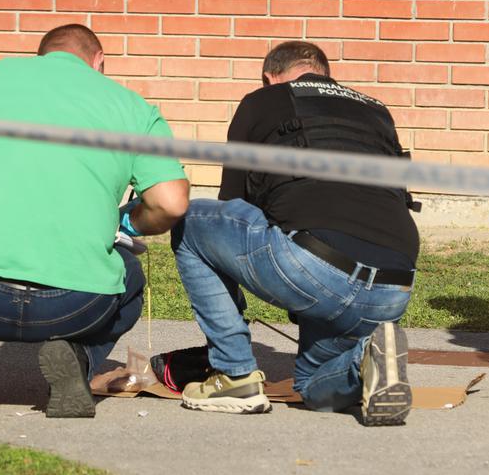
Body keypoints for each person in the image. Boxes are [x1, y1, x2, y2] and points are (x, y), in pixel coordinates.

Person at [0, 24, 190, 417]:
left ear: (42, 56)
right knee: (130, 274)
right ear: (98, 61)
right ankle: (80, 361)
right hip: (75, 305)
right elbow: (171, 203)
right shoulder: (133, 108)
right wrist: (129, 223)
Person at [158, 41, 419, 426]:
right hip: (393, 289)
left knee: (191, 219)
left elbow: (233, 207)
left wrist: (239, 303)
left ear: (270, 78)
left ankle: (234, 374)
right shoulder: (376, 110)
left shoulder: (262, 101)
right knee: (312, 386)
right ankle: (366, 358)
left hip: (316, 266)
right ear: (326, 74)